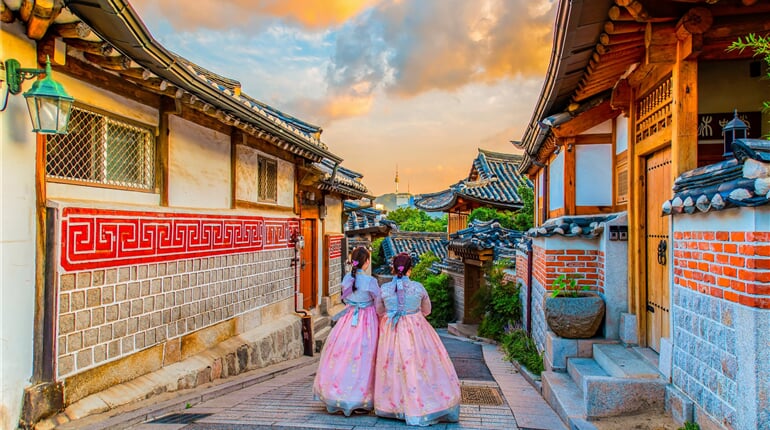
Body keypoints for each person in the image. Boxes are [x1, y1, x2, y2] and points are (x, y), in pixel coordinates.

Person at [374, 252, 460, 426]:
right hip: (416, 329)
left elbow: (379, 311)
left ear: (393, 268)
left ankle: (393, 405)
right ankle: (424, 403)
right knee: (420, 365)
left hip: (392, 330)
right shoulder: (418, 288)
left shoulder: (384, 289)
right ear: (410, 269)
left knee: (393, 365)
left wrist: (393, 312)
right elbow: (427, 310)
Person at [313, 246, 381, 416]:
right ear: (366, 262)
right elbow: (378, 304)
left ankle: (338, 393)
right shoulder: (370, 282)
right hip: (367, 321)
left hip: (349, 319)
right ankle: (361, 397)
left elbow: (346, 299)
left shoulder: (346, 280)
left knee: (344, 356)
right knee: (365, 356)